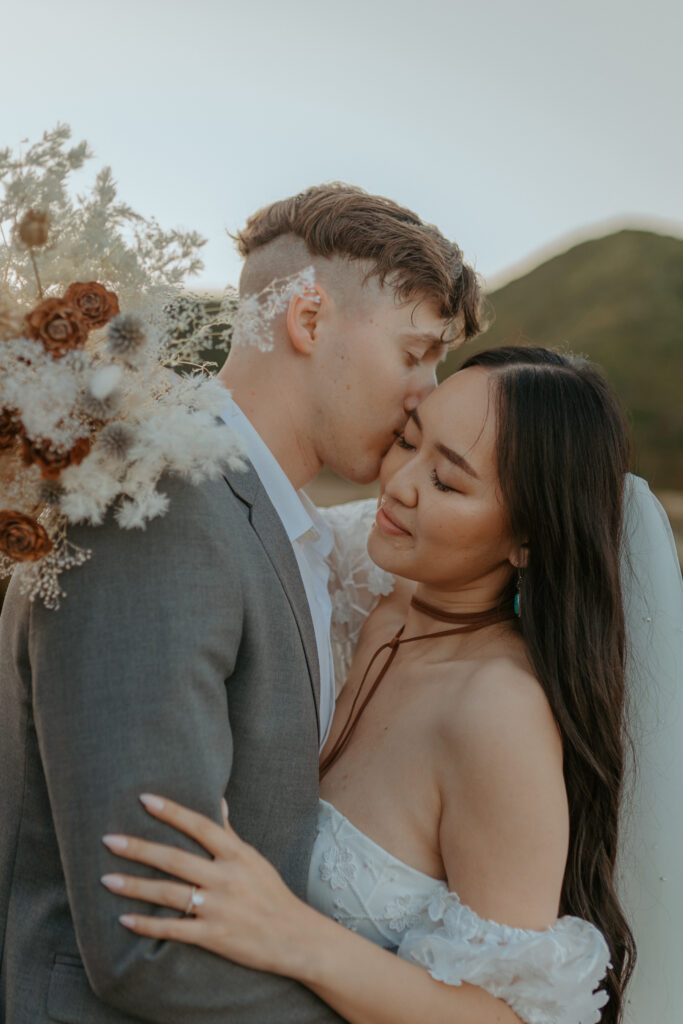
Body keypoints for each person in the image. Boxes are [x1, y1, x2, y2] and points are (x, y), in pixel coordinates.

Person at [0, 184, 482, 1023]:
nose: (426, 392)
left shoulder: (271, 521)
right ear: (308, 320)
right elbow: (146, 944)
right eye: (414, 354)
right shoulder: (161, 509)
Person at [98, 347, 652, 1024]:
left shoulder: (496, 713)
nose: (399, 485)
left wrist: (293, 935)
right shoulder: (362, 574)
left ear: (527, 539)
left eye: (446, 483)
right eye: (408, 442)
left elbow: (504, 1017)